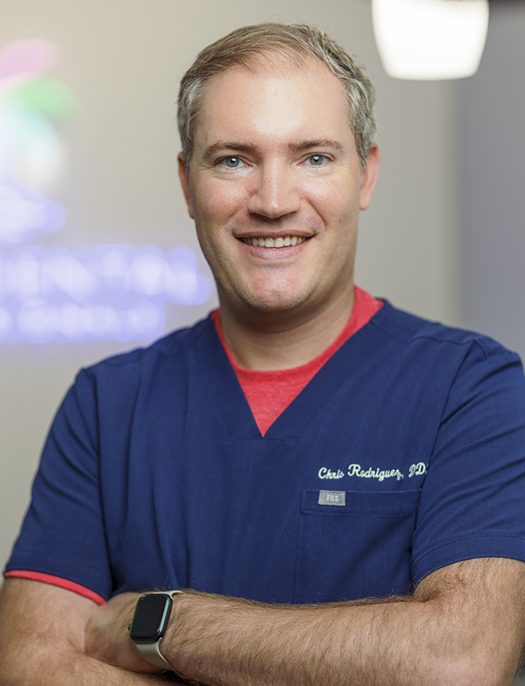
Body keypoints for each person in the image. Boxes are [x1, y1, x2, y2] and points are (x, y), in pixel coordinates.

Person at [1, 22, 525, 686]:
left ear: (364, 175)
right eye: (232, 159)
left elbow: (458, 661)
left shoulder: (470, 389)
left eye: (312, 157)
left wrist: (168, 623)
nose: (273, 202)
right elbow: (30, 665)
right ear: (188, 183)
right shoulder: (107, 405)